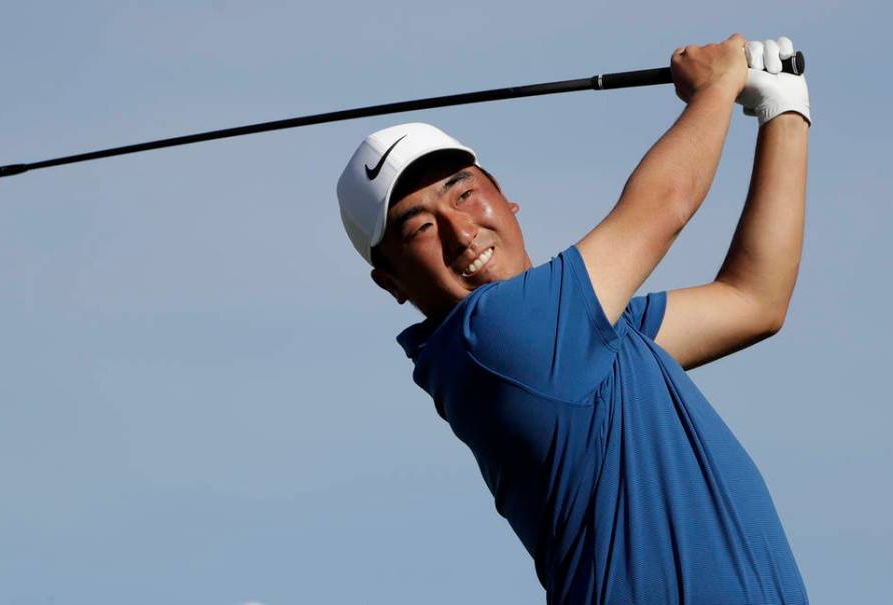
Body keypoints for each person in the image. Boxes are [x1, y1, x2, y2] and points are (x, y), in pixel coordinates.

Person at [336, 33, 810, 604]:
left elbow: (753, 300)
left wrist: (783, 112)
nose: (461, 233)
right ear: (390, 282)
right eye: (418, 227)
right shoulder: (494, 337)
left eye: (462, 194)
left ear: (506, 198)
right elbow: (663, 206)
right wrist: (715, 87)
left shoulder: (582, 336)